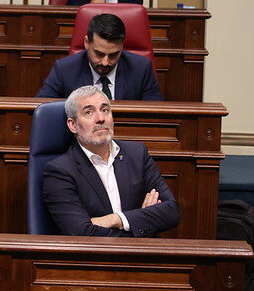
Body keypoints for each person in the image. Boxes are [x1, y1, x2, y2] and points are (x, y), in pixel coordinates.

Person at [42, 85, 180, 237]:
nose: (100, 118)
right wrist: (141, 220)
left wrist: (116, 219)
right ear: (73, 125)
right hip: (95, 259)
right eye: (89, 112)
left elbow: (171, 212)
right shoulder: (60, 171)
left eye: (105, 110)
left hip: (145, 257)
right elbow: (81, 232)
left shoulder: (137, 154)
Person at [36, 13, 162, 101]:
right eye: (99, 54)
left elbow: (155, 114)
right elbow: (42, 108)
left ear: (122, 46)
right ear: (86, 43)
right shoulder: (64, 69)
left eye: (113, 55)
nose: (106, 62)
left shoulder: (141, 69)